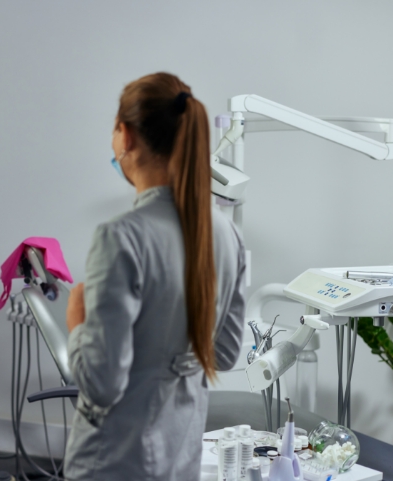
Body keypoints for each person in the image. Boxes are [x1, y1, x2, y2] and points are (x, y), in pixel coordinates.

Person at [64, 73, 246, 480]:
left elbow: (102, 383)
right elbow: (225, 353)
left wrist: (77, 322)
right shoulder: (227, 234)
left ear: (125, 135)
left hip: (113, 462)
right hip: (180, 458)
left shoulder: (121, 237)